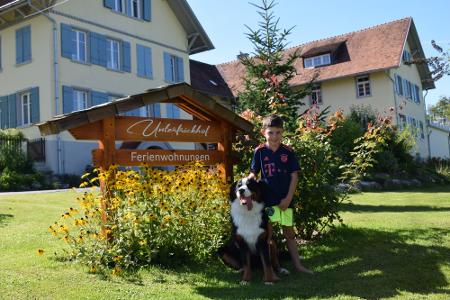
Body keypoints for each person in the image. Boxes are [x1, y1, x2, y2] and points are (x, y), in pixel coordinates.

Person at [248, 114, 313, 274]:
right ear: (264, 132)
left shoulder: (288, 152)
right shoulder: (260, 152)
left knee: (289, 234)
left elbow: (294, 176)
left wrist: (288, 199)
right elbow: (253, 172)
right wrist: (249, 180)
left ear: (282, 132)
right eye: (271, 132)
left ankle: (298, 266)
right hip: (268, 201)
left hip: (285, 201)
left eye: (278, 132)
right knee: (268, 236)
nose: (274, 136)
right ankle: (270, 268)